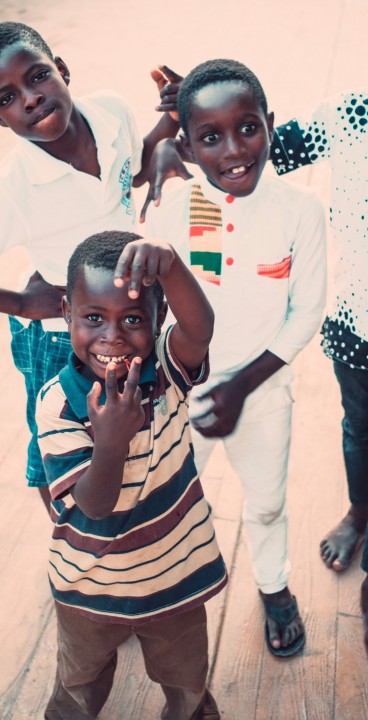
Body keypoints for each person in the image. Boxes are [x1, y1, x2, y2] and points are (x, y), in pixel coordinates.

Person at [0, 21, 181, 511]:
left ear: (63, 71)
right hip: (59, 335)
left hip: (128, 316)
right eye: (8, 98)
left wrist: (170, 122)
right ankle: (68, 535)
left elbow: (131, 170)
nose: (29, 99)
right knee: (60, 442)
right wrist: (21, 304)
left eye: (36, 77)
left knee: (125, 424)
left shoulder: (111, 111)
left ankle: (131, 524)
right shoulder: (14, 189)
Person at [143, 59, 327, 657]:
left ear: (271, 124)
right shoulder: (177, 207)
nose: (234, 151)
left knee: (268, 500)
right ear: (189, 148)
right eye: (211, 137)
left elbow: (305, 313)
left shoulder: (299, 210)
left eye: (248, 128)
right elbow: (151, 297)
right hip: (181, 389)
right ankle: (157, 590)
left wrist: (242, 387)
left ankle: (274, 587)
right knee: (167, 495)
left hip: (262, 388)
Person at [36, 230, 227, 720]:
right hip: (90, 584)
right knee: (79, 686)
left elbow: (200, 328)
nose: (112, 336)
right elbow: (94, 506)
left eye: (133, 319)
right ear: (66, 312)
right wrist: (112, 441)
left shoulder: (165, 370)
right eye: (93, 318)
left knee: (186, 680)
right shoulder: (58, 405)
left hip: (173, 575)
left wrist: (172, 267)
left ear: (158, 320)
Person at [270, 90, 368, 651]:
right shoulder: (355, 113)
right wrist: (188, 115)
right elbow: (262, 151)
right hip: (358, 326)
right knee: (360, 428)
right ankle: (359, 512)